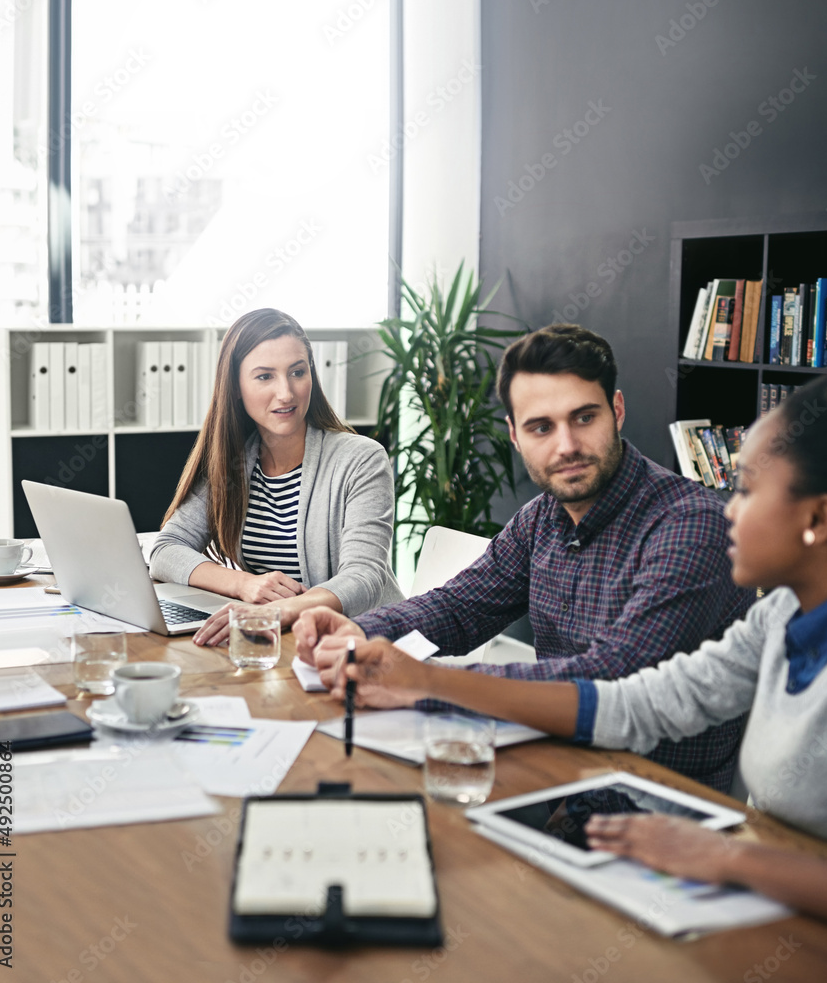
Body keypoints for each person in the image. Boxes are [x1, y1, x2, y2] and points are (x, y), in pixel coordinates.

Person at [314, 325, 827, 974]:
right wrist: (408, 664)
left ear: (817, 520)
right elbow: (639, 701)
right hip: (763, 914)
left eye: (747, 489)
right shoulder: (785, 615)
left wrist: (731, 860)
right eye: (542, 427)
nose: (728, 509)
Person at [295, 323, 755, 792]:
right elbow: (459, 607)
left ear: (616, 411)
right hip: (550, 776)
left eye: (584, 418)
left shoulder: (690, 524)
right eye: (541, 427)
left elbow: (615, 677)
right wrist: (362, 629)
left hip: (652, 805)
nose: (567, 446)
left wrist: (425, 681)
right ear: (515, 436)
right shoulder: (541, 518)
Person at [149, 308, 403, 644]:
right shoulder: (234, 463)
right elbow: (165, 550)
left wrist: (276, 612)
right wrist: (245, 584)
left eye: (297, 372)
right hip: (282, 644)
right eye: (265, 376)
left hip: (364, 645)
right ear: (236, 386)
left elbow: (365, 577)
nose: (286, 393)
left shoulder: (361, 459)